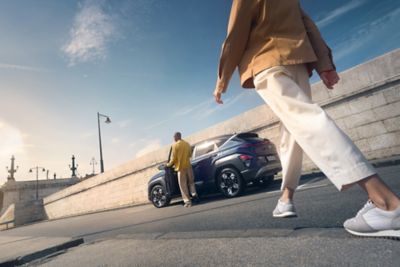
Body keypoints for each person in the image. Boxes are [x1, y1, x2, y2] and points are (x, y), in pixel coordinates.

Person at [213, 0, 399, 238]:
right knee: (294, 127)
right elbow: (308, 25)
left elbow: (236, 34)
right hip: (297, 61)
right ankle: (286, 198)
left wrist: (221, 81)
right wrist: (325, 64)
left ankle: (385, 203)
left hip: (265, 61)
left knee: (306, 120)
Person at [167, 132, 199, 207]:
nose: (173, 138)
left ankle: (187, 201)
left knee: (183, 185)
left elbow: (173, 158)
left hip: (180, 168)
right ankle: (194, 195)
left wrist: (168, 165)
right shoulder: (187, 144)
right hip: (188, 166)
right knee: (191, 182)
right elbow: (190, 154)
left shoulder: (174, 145)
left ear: (177, 136)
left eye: (174, 137)